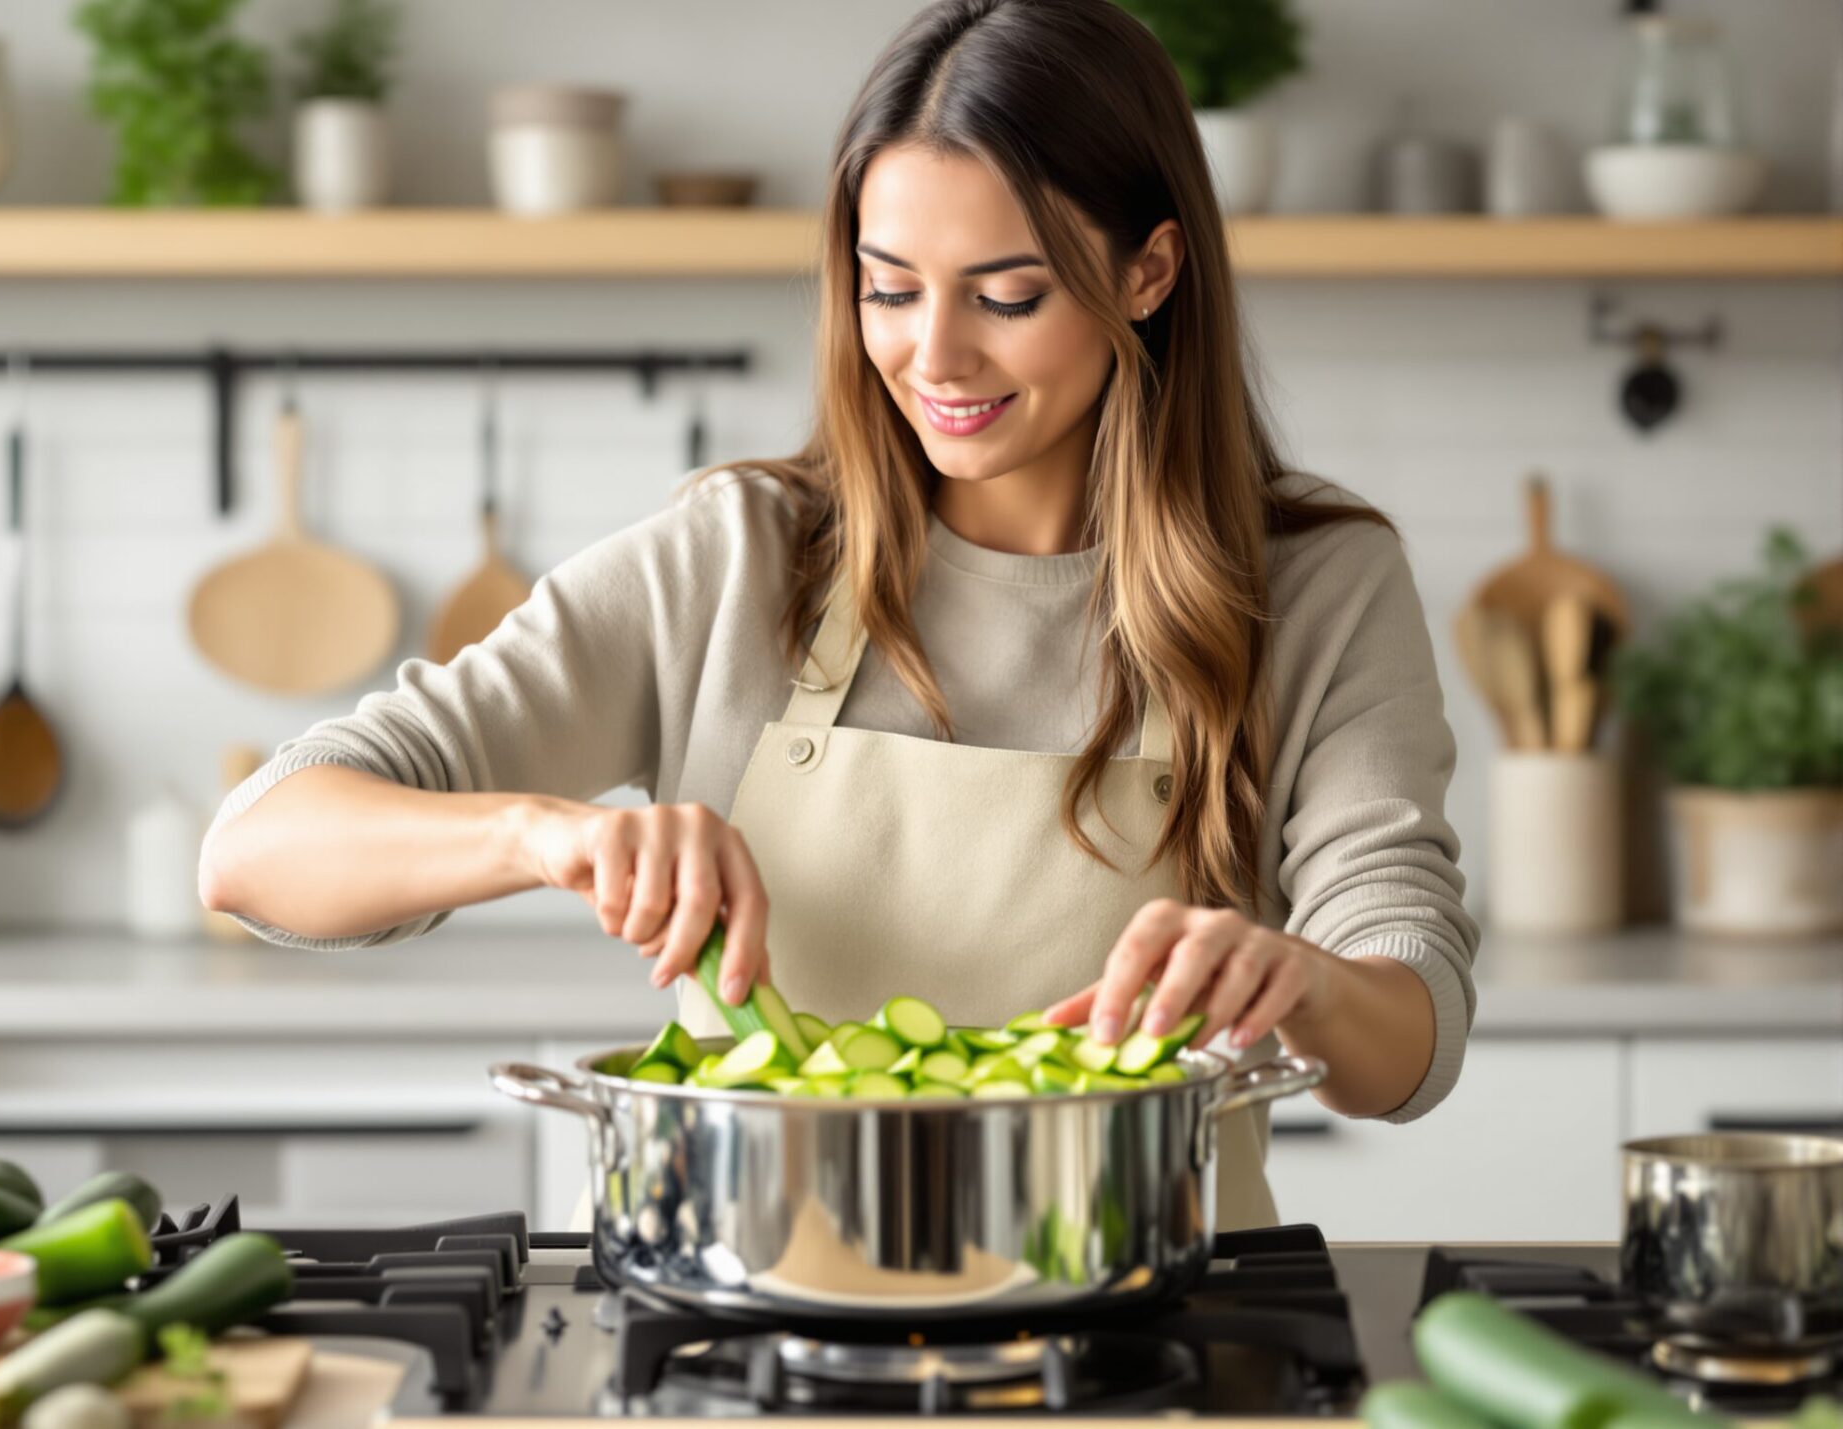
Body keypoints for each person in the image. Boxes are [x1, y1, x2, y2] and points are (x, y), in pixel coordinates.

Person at [199, 0, 1476, 1228]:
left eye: (1007, 295)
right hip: (750, 1302)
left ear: (1148, 270)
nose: (935, 356)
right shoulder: (736, 562)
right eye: (888, 289)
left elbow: (1411, 1035)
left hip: (1146, 1318)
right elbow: (255, 850)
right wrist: (548, 835)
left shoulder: (1315, 584)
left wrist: (1306, 983)